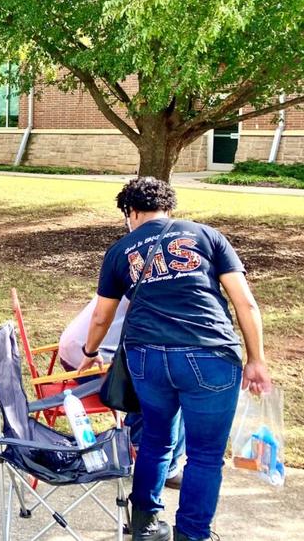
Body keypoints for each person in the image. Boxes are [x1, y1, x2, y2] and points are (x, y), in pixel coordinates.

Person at [77, 177, 272, 541]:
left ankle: (146, 525)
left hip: (146, 358)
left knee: (155, 439)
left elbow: (102, 316)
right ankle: (193, 534)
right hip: (210, 354)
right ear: (169, 207)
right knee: (205, 455)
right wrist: (256, 359)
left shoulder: (120, 250)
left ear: (131, 211)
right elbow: (244, 302)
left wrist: (89, 354)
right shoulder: (207, 236)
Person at [59, 295, 186, 490]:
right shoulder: (149, 284)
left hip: (78, 349)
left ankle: (136, 442)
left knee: (166, 374)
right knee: (171, 387)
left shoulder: (135, 269)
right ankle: (160, 462)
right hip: (89, 359)